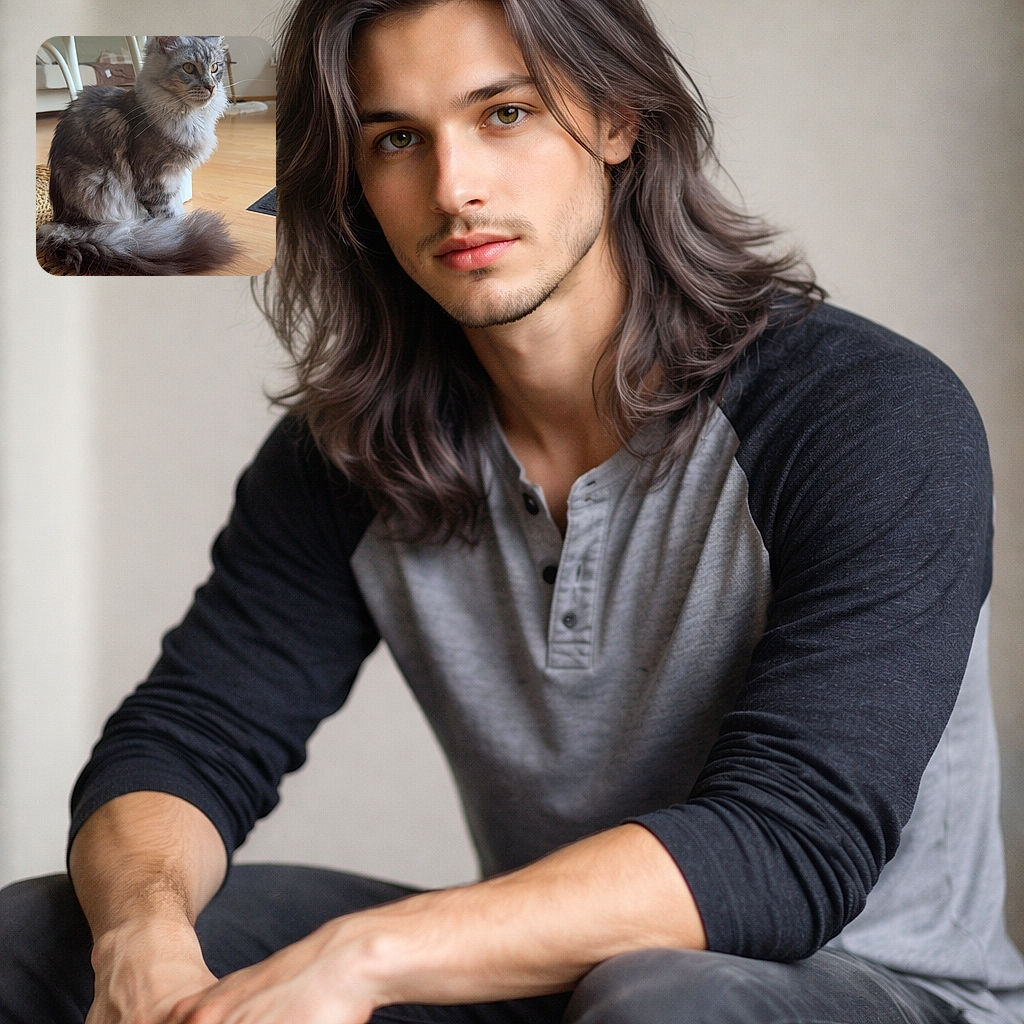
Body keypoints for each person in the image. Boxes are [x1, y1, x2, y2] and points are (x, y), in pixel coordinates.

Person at [3, 0, 1023, 1021]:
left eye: (504, 114)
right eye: (397, 139)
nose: (455, 190)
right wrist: (142, 938)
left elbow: (789, 845)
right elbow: (188, 738)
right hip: (559, 982)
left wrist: (360, 958)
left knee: (662, 998)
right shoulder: (349, 454)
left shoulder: (865, 413)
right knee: (41, 938)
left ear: (619, 118)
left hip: (876, 987)